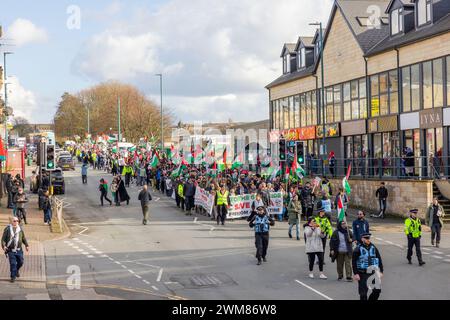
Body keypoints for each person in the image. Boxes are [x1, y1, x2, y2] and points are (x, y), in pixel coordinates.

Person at [352, 232, 383, 300]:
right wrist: (356, 273)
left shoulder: (374, 247)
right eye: (366, 238)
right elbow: (354, 262)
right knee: (363, 294)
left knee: (377, 291)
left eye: (368, 238)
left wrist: (381, 271)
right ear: (362, 239)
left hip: (374, 272)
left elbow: (379, 259)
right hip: (363, 273)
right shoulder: (357, 249)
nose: (368, 239)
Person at [2, 217, 30, 283]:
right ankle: (13, 276)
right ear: (11, 222)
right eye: (14, 221)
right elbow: (3, 239)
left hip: (19, 250)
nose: (16, 222)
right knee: (13, 263)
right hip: (10, 250)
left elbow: (23, 238)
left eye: (17, 221)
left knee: (21, 262)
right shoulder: (7, 229)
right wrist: (4, 246)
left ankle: (16, 270)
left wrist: (26, 245)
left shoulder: (20, 229)